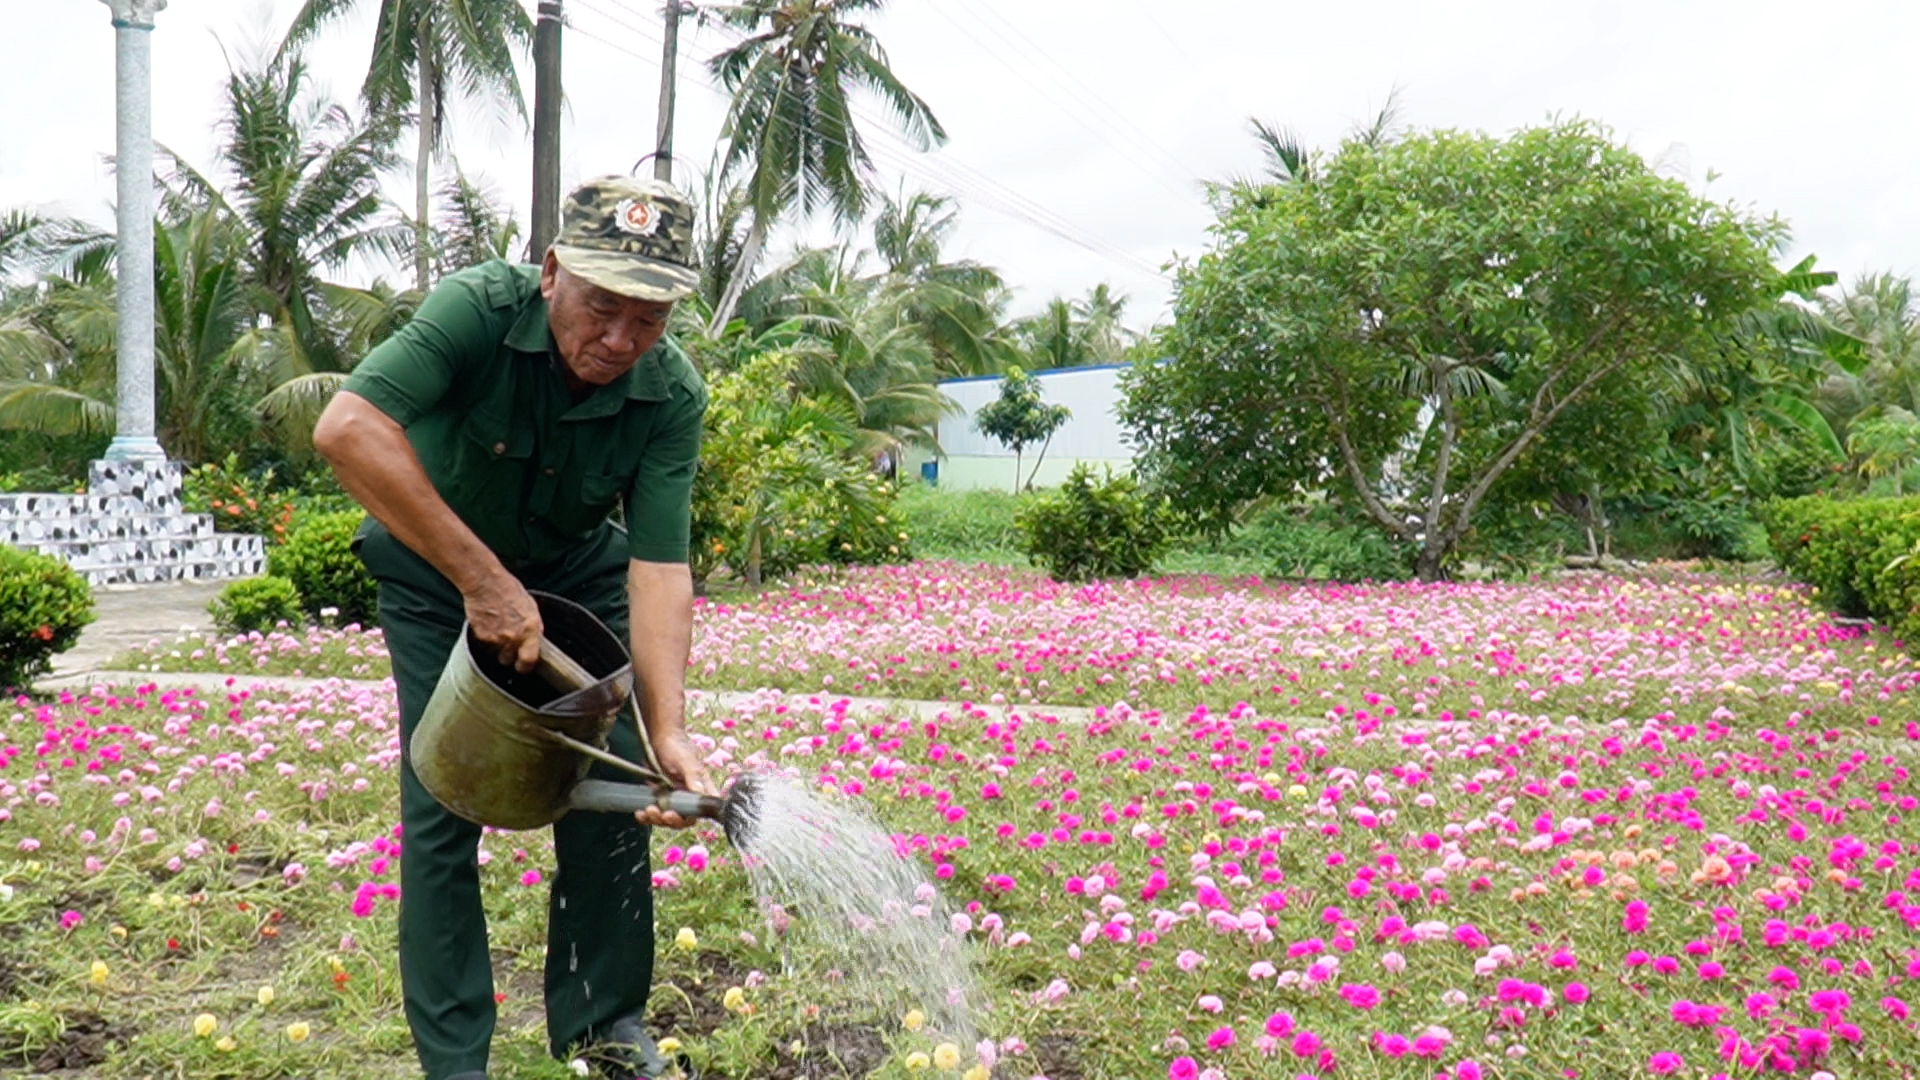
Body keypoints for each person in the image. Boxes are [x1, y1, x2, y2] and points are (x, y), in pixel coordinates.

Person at [313, 174, 715, 1080]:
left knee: (614, 790)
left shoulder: (672, 395)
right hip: (433, 575)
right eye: (602, 307)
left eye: (647, 320)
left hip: (576, 576)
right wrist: (482, 581)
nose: (619, 340)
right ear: (551, 273)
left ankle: (605, 1032)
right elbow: (348, 428)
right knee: (444, 795)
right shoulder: (475, 310)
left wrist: (669, 729)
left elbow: (657, 566)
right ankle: (458, 1063)